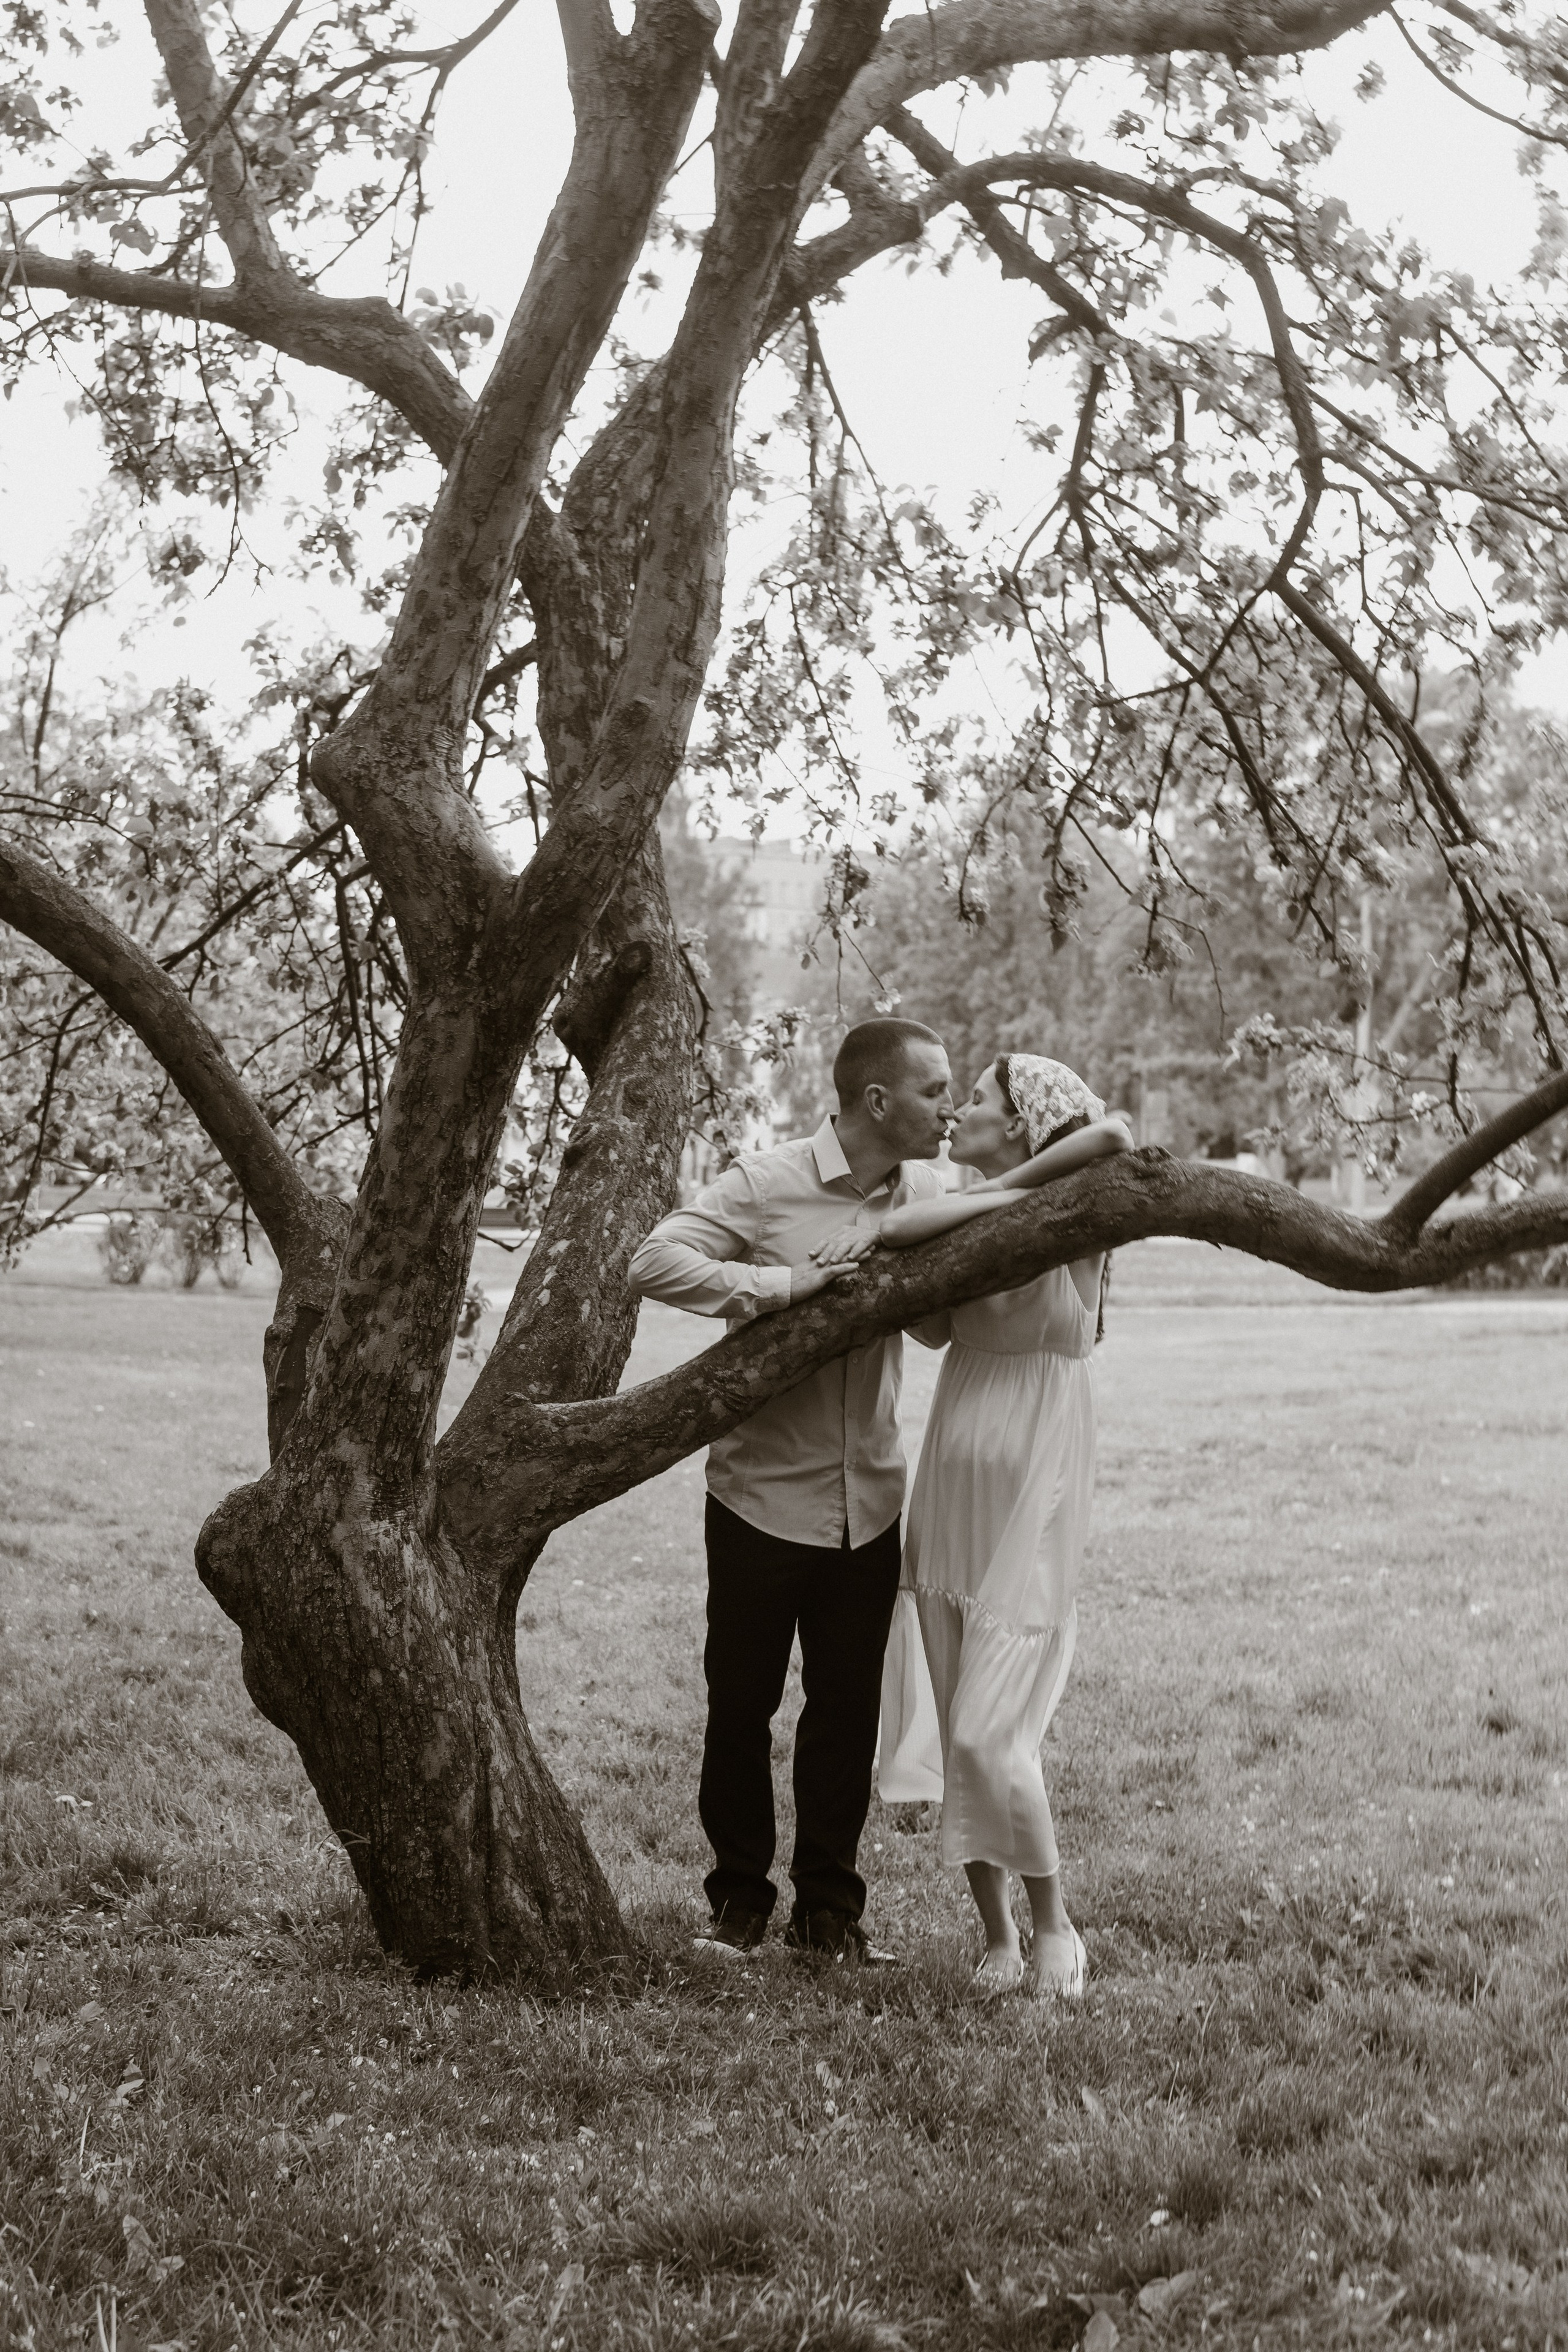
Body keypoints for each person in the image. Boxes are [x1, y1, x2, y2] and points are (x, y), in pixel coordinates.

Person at [627, 1018, 954, 1961]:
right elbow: (653, 1260)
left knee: (846, 1718)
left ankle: (829, 1918)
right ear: (879, 1101)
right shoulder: (766, 1182)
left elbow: (935, 1330)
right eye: (935, 1090)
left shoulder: (929, 1194)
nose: (950, 1108)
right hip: (760, 1499)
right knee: (741, 1709)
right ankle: (737, 1905)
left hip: (871, 1503)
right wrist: (781, 1287)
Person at [811, 1054, 1133, 1998]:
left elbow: (1114, 1132)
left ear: (1024, 1123)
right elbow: (903, 1242)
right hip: (956, 1471)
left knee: (994, 1733)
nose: (959, 1113)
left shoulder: (1081, 1210)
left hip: (1039, 1470)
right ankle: (996, 1935)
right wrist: (981, 1200)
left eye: (982, 1100)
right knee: (960, 1725)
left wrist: (1002, 1192)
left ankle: (1056, 1927)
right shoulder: (959, 1206)